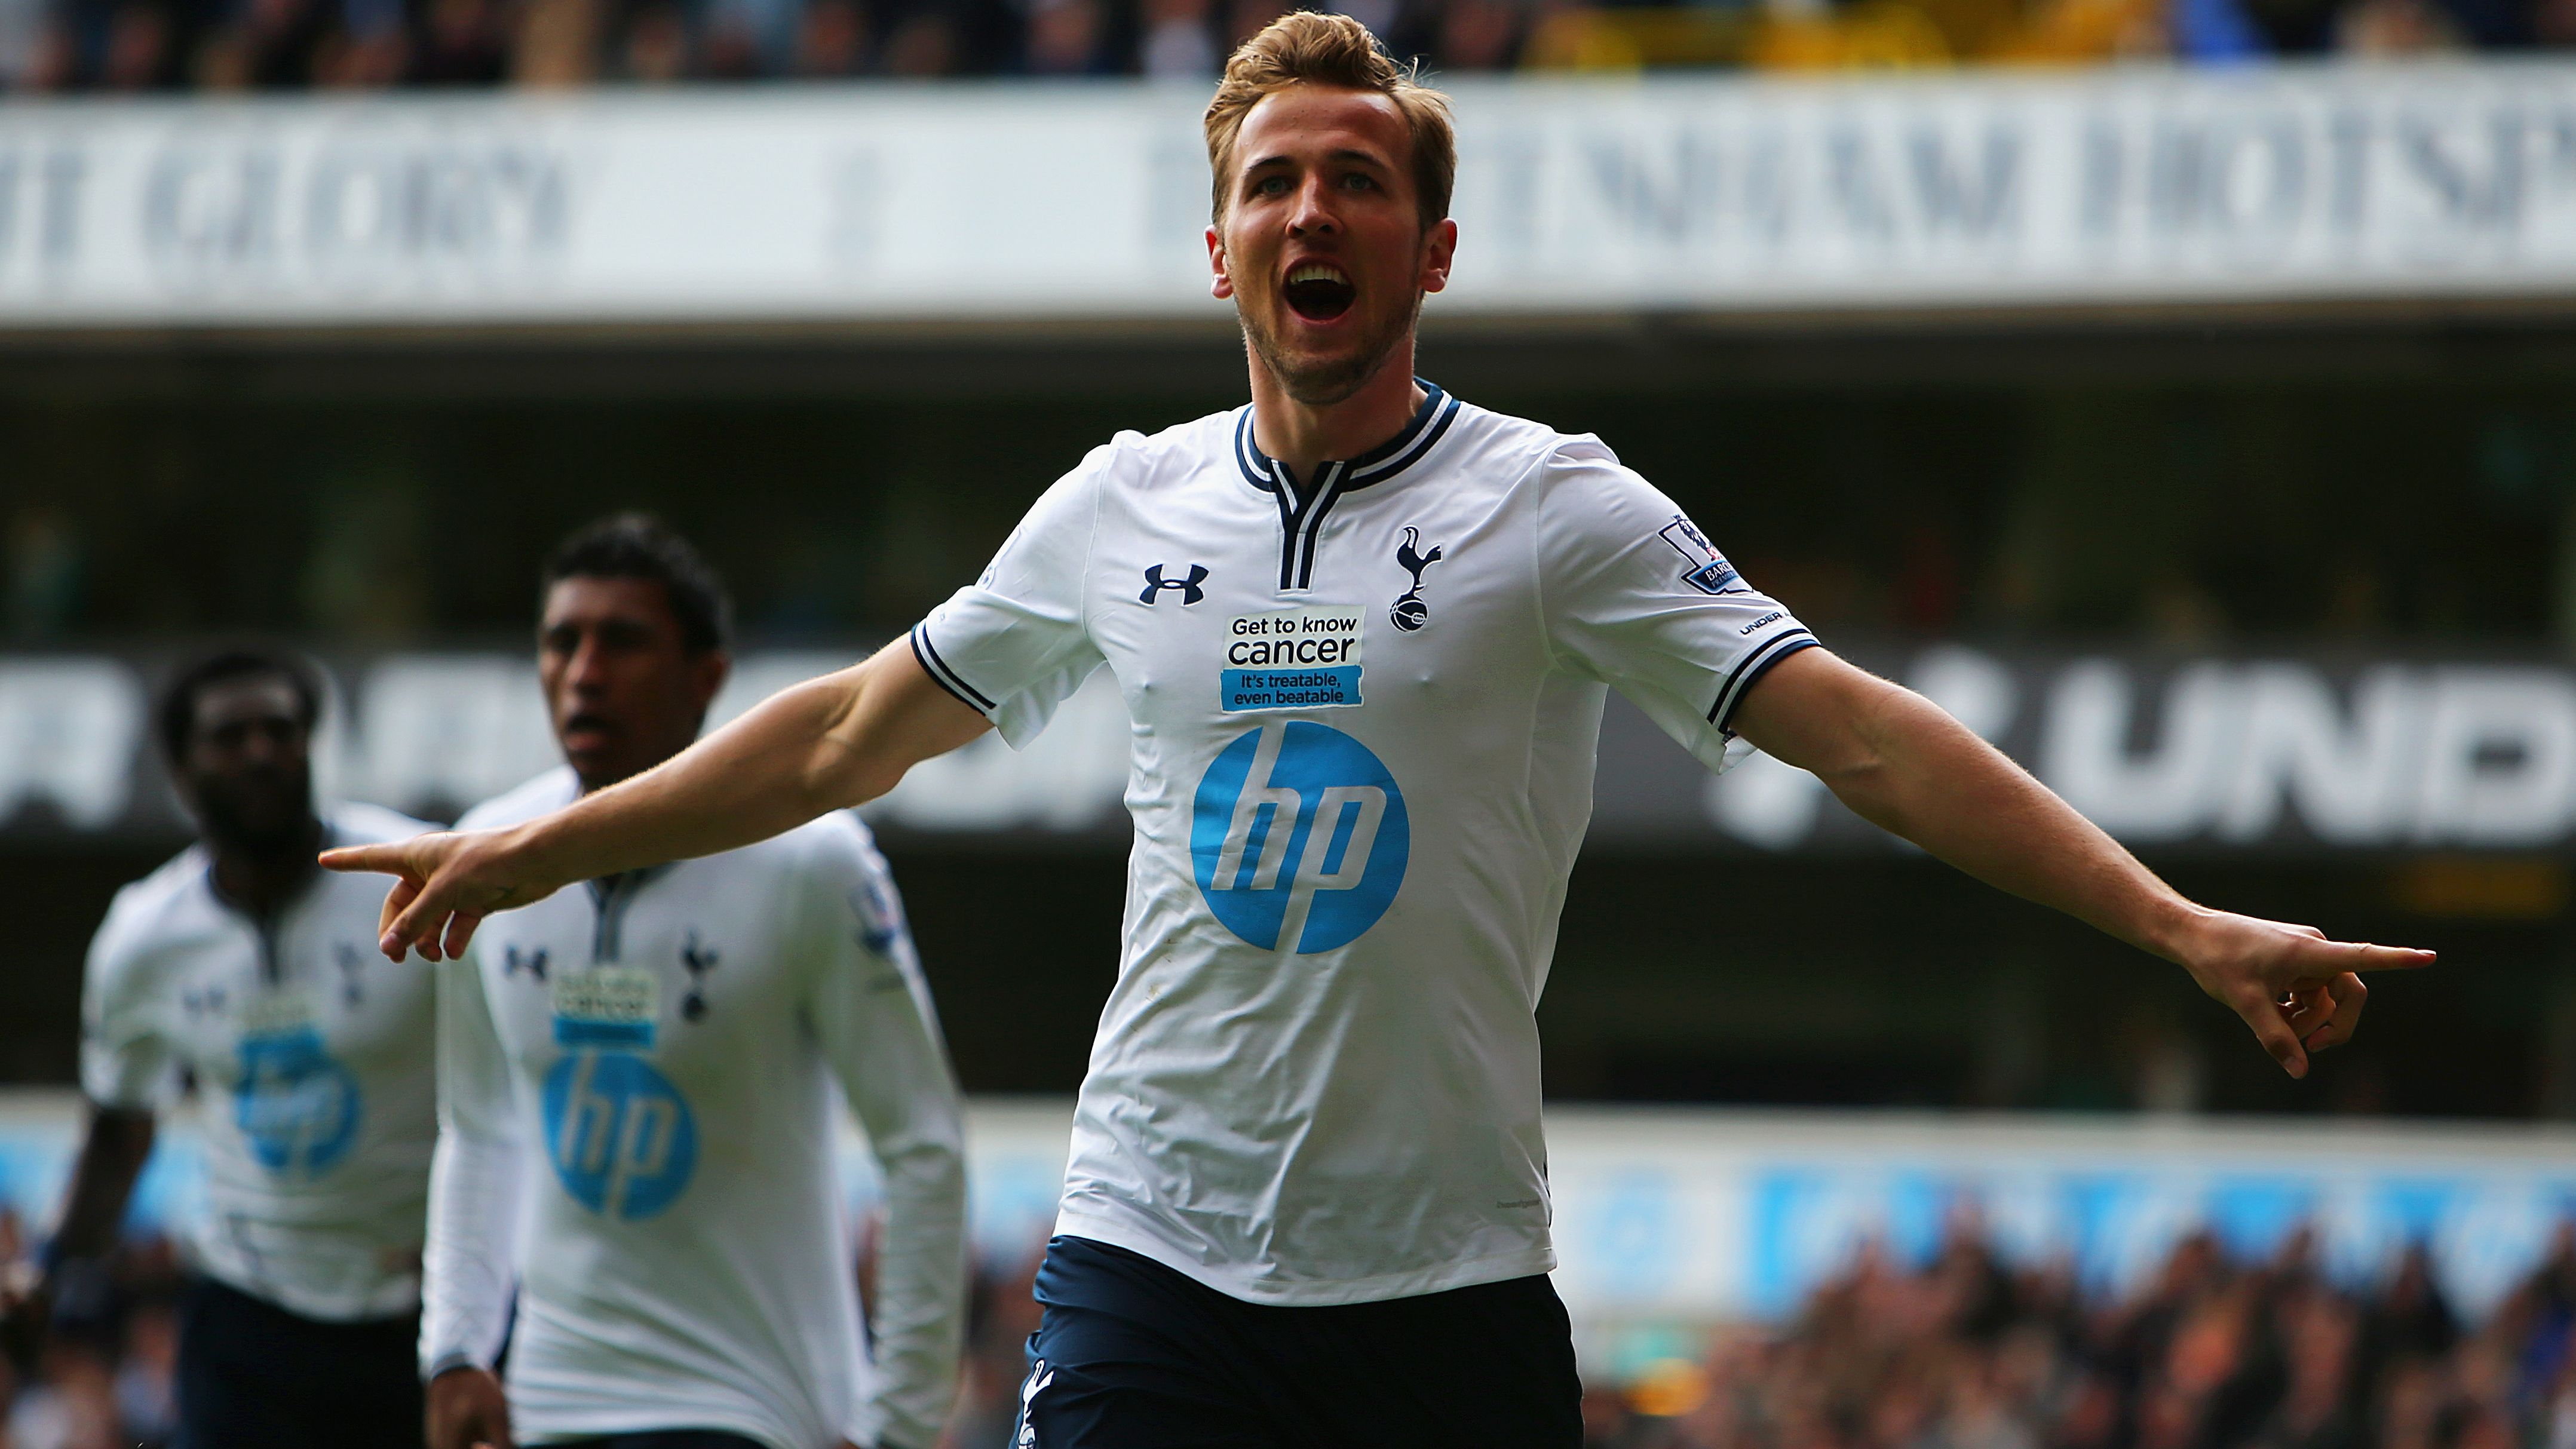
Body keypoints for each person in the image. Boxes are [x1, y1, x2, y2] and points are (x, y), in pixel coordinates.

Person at [325, 18, 2434, 1447]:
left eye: (1355, 183)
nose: (1310, 215)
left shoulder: (1557, 508)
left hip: (1441, 1286)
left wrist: (2173, 925)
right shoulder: (1112, 504)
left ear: (1434, 243)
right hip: (1149, 1247)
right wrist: (533, 845)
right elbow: (841, 737)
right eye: (1272, 184)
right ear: (1218, 240)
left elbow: (1865, 739)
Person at [416, 515, 968, 1449]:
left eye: (622, 641)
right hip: (548, 1405)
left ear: (706, 676)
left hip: (756, 1411)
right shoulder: (486, 857)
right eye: (562, 641)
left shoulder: (813, 862)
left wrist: (899, 1429)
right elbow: (478, 1124)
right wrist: (456, 1348)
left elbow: (922, 1147)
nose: (584, 670)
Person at [6, 647, 438, 1449]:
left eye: (282, 728)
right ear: (179, 768)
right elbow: (119, 1130)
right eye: (229, 734)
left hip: (422, 1314)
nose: (261, 751)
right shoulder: (144, 938)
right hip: (247, 1319)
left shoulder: (417, 875)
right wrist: (48, 1267)